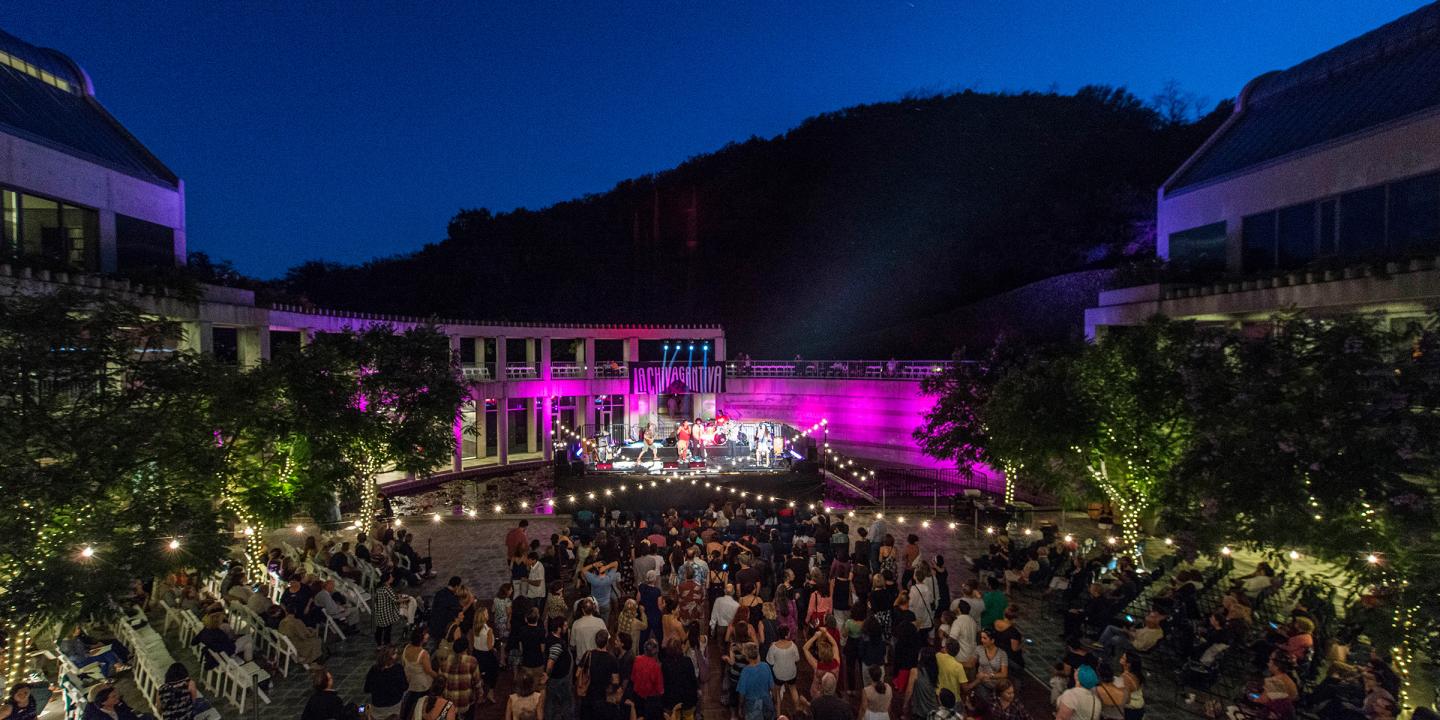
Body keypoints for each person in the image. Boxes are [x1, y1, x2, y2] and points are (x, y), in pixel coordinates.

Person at [401, 626, 438, 720]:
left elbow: (403, 663)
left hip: (411, 682)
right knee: (421, 705)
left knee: (410, 703)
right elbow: (428, 670)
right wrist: (438, 676)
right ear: (421, 638)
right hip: (422, 684)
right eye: (426, 634)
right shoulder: (423, 653)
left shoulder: (407, 648)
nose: (428, 635)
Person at [440, 637, 481, 718]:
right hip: (465, 702)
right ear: (466, 648)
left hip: (448, 703)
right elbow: (477, 682)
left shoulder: (445, 661)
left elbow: (440, 681)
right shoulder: (471, 661)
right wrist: (480, 694)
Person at [365, 645, 408, 720]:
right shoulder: (398, 669)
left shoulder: (374, 669)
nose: (397, 655)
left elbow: (367, 688)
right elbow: (404, 686)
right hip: (393, 705)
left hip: (378, 706)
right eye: (395, 653)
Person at [543, 617, 574, 720]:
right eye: (564, 626)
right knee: (559, 700)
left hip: (558, 676)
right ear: (559, 628)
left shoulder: (551, 637)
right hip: (559, 678)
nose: (566, 628)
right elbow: (551, 662)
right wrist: (547, 674)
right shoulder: (557, 644)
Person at [766, 626, 802, 714]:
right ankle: (798, 711)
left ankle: (778, 714)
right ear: (787, 634)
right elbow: (797, 659)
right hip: (791, 673)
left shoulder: (773, 647)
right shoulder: (793, 646)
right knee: (793, 689)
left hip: (779, 674)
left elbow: (770, 662)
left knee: (777, 692)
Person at [1098, 612, 1163, 660]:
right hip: (1133, 636)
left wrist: (1128, 633)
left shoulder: (1151, 636)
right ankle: (1100, 645)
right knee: (1110, 628)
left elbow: (1138, 646)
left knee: (1114, 639)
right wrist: (1134, 630)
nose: (1146, 624)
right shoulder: (1152, 627)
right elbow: (1140, 632)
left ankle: (1105, 654)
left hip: (1134, 645)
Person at [660, 639, 699, 720]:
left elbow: (663, 683)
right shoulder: (687, 661)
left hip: (670, 701)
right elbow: (693, 680)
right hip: (687, 701)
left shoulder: (664, 664)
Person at [735, 643, 774, 720]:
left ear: (747, 657)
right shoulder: (765, 666)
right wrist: (774, 701)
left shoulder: (745, 671)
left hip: (752, 705)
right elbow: (772, 686)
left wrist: (740, 707)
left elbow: (742, 693)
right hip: (766, 702)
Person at [472, 607, 501, 704]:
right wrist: (494, 648)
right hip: (487, 655)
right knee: (493, 674)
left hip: (476, 654)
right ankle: (490, 693)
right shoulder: (489, 630)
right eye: (486, 613)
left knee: (479, 675)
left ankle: (480, 695)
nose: (488, 614)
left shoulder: (475, 628)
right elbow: (489, 647)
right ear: (483, 616)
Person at [632, 639, 665, 720]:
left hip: (637, 698)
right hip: (651, 703)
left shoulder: (637, 659)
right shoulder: (656, 666)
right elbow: (660, 689)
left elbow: (633, 678)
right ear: (656, 652)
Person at [374, 570, 402, 646]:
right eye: (391, 577)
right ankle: (387, 643)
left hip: (379, 612)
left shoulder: (379, 588)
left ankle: (379, 644)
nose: (392, 578)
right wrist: (403, 598)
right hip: (386, 613)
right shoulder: (387, 589)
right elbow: (395, 600)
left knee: (379, 629)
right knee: (387, 629)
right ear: (388, 579)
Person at [1119, 652, 1145, 720]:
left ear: (1128, 664)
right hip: (1140, 707)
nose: (1120, 658)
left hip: (1131, 711)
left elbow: (1126, 699)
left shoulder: (1125, 677)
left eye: (1123, 658)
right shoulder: (1138, 675)